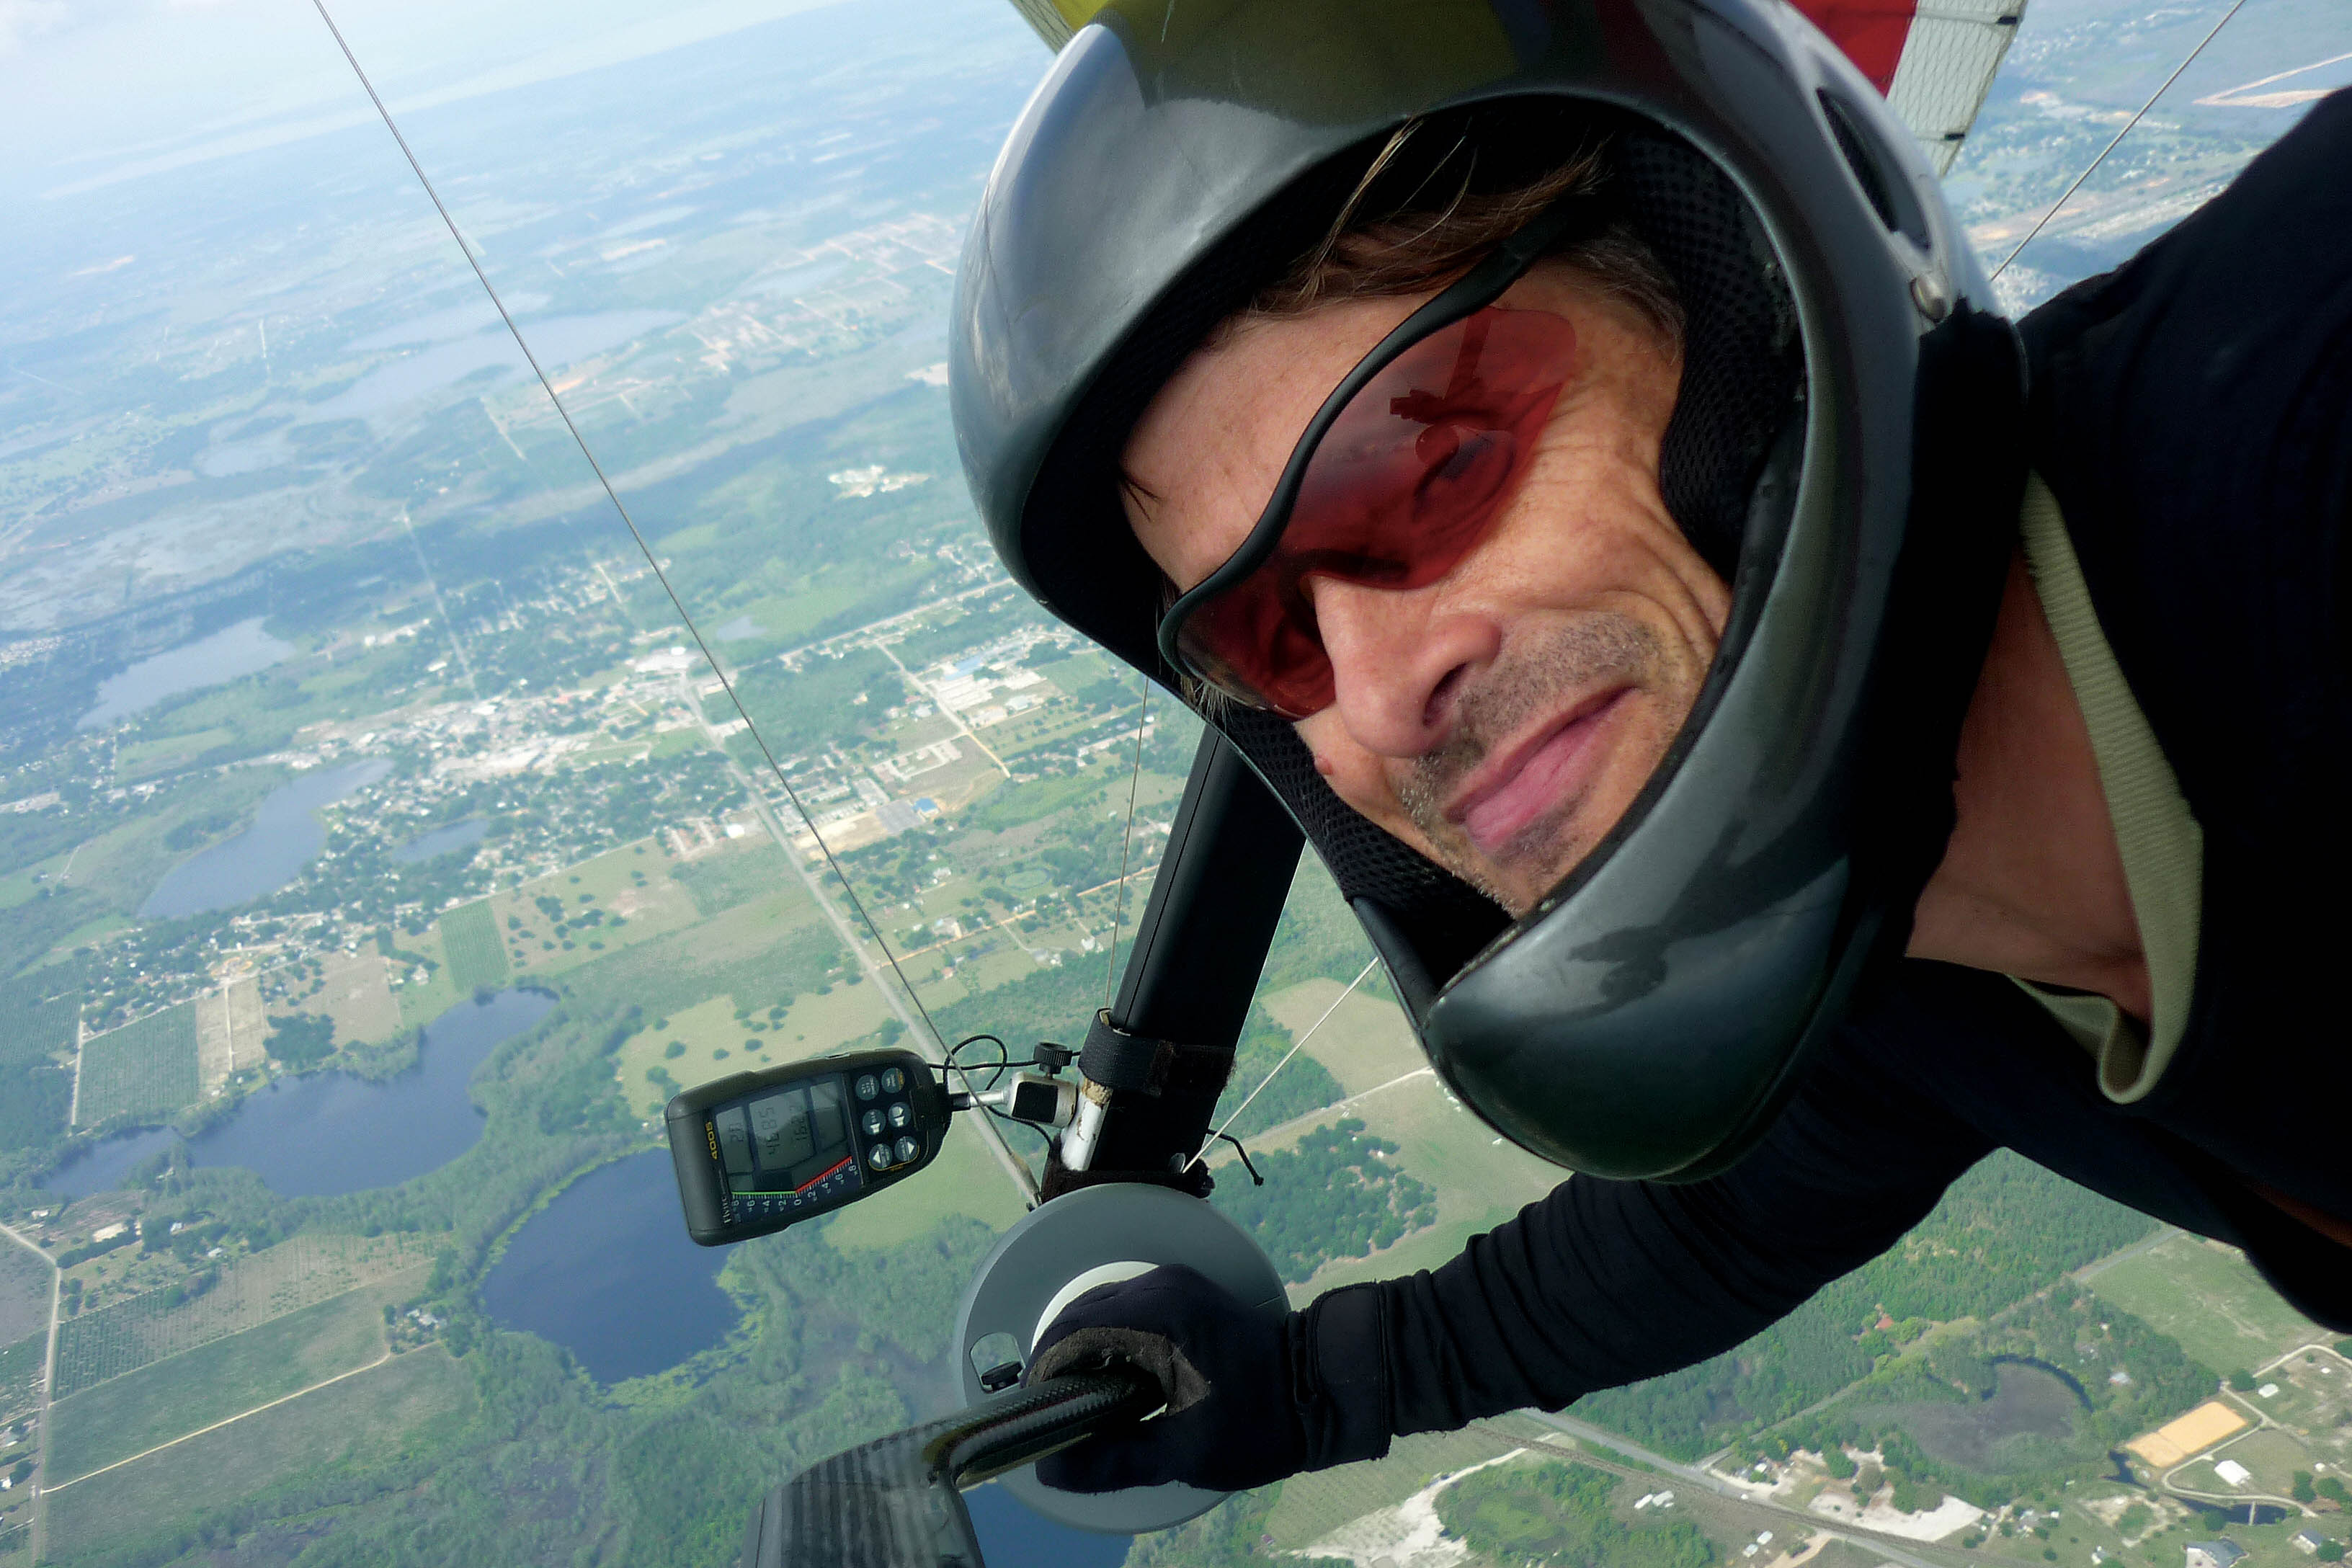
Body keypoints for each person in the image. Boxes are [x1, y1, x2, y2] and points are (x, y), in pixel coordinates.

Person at [945, 0, 2352, 1498]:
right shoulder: (1901, 948)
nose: (1375, 689)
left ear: (1752, 305)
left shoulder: (2297, 429)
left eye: (1432, 459)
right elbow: (1715, 1229)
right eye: (1269, 639)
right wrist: (1302, 1387)